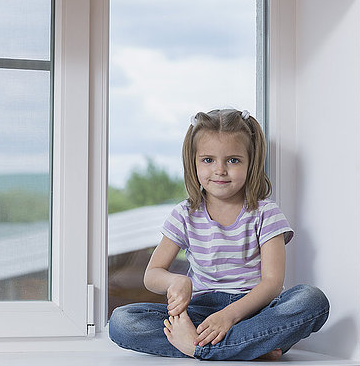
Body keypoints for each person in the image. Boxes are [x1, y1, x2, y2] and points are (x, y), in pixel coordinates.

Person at [108, 109, 329, 360]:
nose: (220, 170)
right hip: (201, 314)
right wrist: (176, 282)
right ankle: (246, 348)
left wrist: (230, 316)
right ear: (194, 162)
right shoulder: (184, 214)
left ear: (250, 162)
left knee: (312, 300)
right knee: (122, 321)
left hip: (255, 312)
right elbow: (152, 275)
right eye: (208, 160)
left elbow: (272, 283)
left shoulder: (266, 213)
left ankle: (200, 348)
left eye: (233, 160)